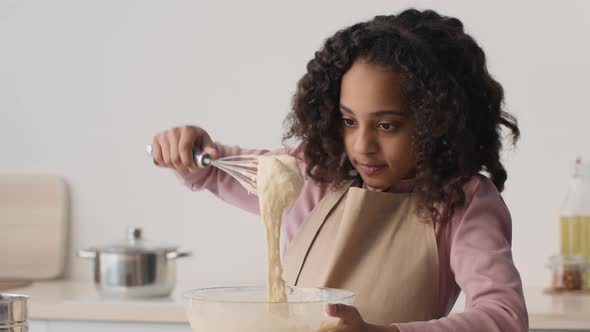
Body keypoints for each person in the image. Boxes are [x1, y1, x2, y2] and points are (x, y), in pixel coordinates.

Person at [151, 8, 528, 332]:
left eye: (386, 125)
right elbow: (221, 168)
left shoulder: (461, 202)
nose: (362, 145)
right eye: (349, 121)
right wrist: (191, 146)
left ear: (436, 121)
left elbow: (504, 317)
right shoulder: (313, 175)